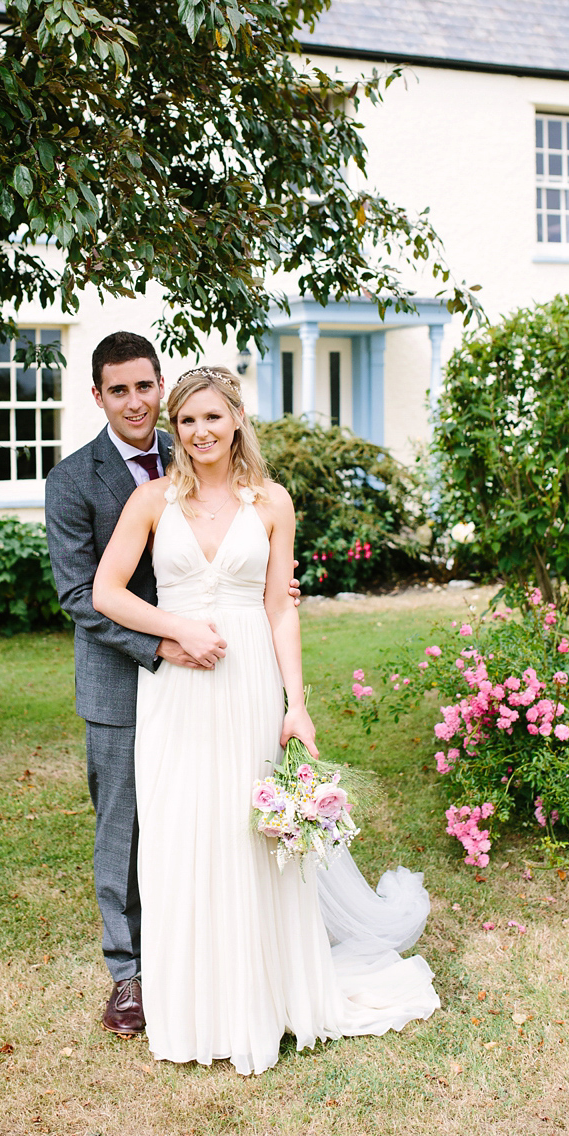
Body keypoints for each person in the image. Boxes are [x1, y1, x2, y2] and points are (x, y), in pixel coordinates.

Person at [93, 365, 440, 1074]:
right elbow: (105, 592)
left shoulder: (272, 501)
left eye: (213, 418)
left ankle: (264, 997)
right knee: (183, 831)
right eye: (187, 421)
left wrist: (297, 704)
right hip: (179, 688)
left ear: (238, 419)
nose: (201, 433)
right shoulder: (152, 499)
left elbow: (280, 608)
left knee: (251, 838)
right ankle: (195, 1007)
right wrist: (176, 629)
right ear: (175, 428)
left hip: (249, 677)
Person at [44, 334, 300, 1039]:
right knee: (128, 829)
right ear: (98, 396)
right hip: (124, 676)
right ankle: (131, 975)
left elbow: (246, 559)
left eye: (144, 387)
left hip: (224, 673)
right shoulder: (73, 480)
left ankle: (221, 957)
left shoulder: (199, 447)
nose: (135, 401)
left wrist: (258, 585)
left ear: (163, 389)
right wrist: (165, 640)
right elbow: (79, 594)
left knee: (215, 819)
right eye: (117, 390)